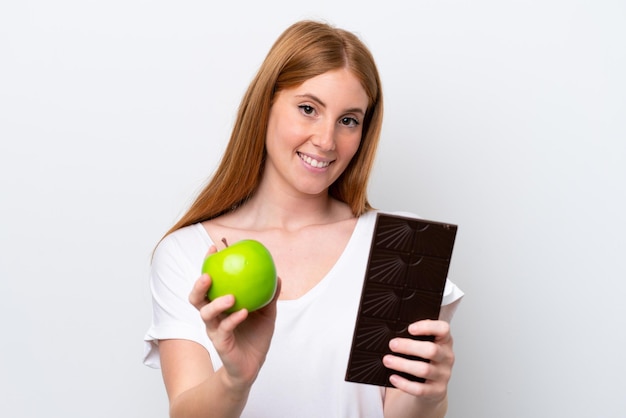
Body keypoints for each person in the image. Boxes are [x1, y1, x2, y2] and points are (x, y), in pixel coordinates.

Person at [143, 19, 463, 418]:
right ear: (265, 107)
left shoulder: (400, 244)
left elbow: (400, 411)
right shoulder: (189, 253)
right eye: (308, 109)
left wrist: (430, 395)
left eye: (348, 120)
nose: (327, 141)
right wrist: (235, 379)